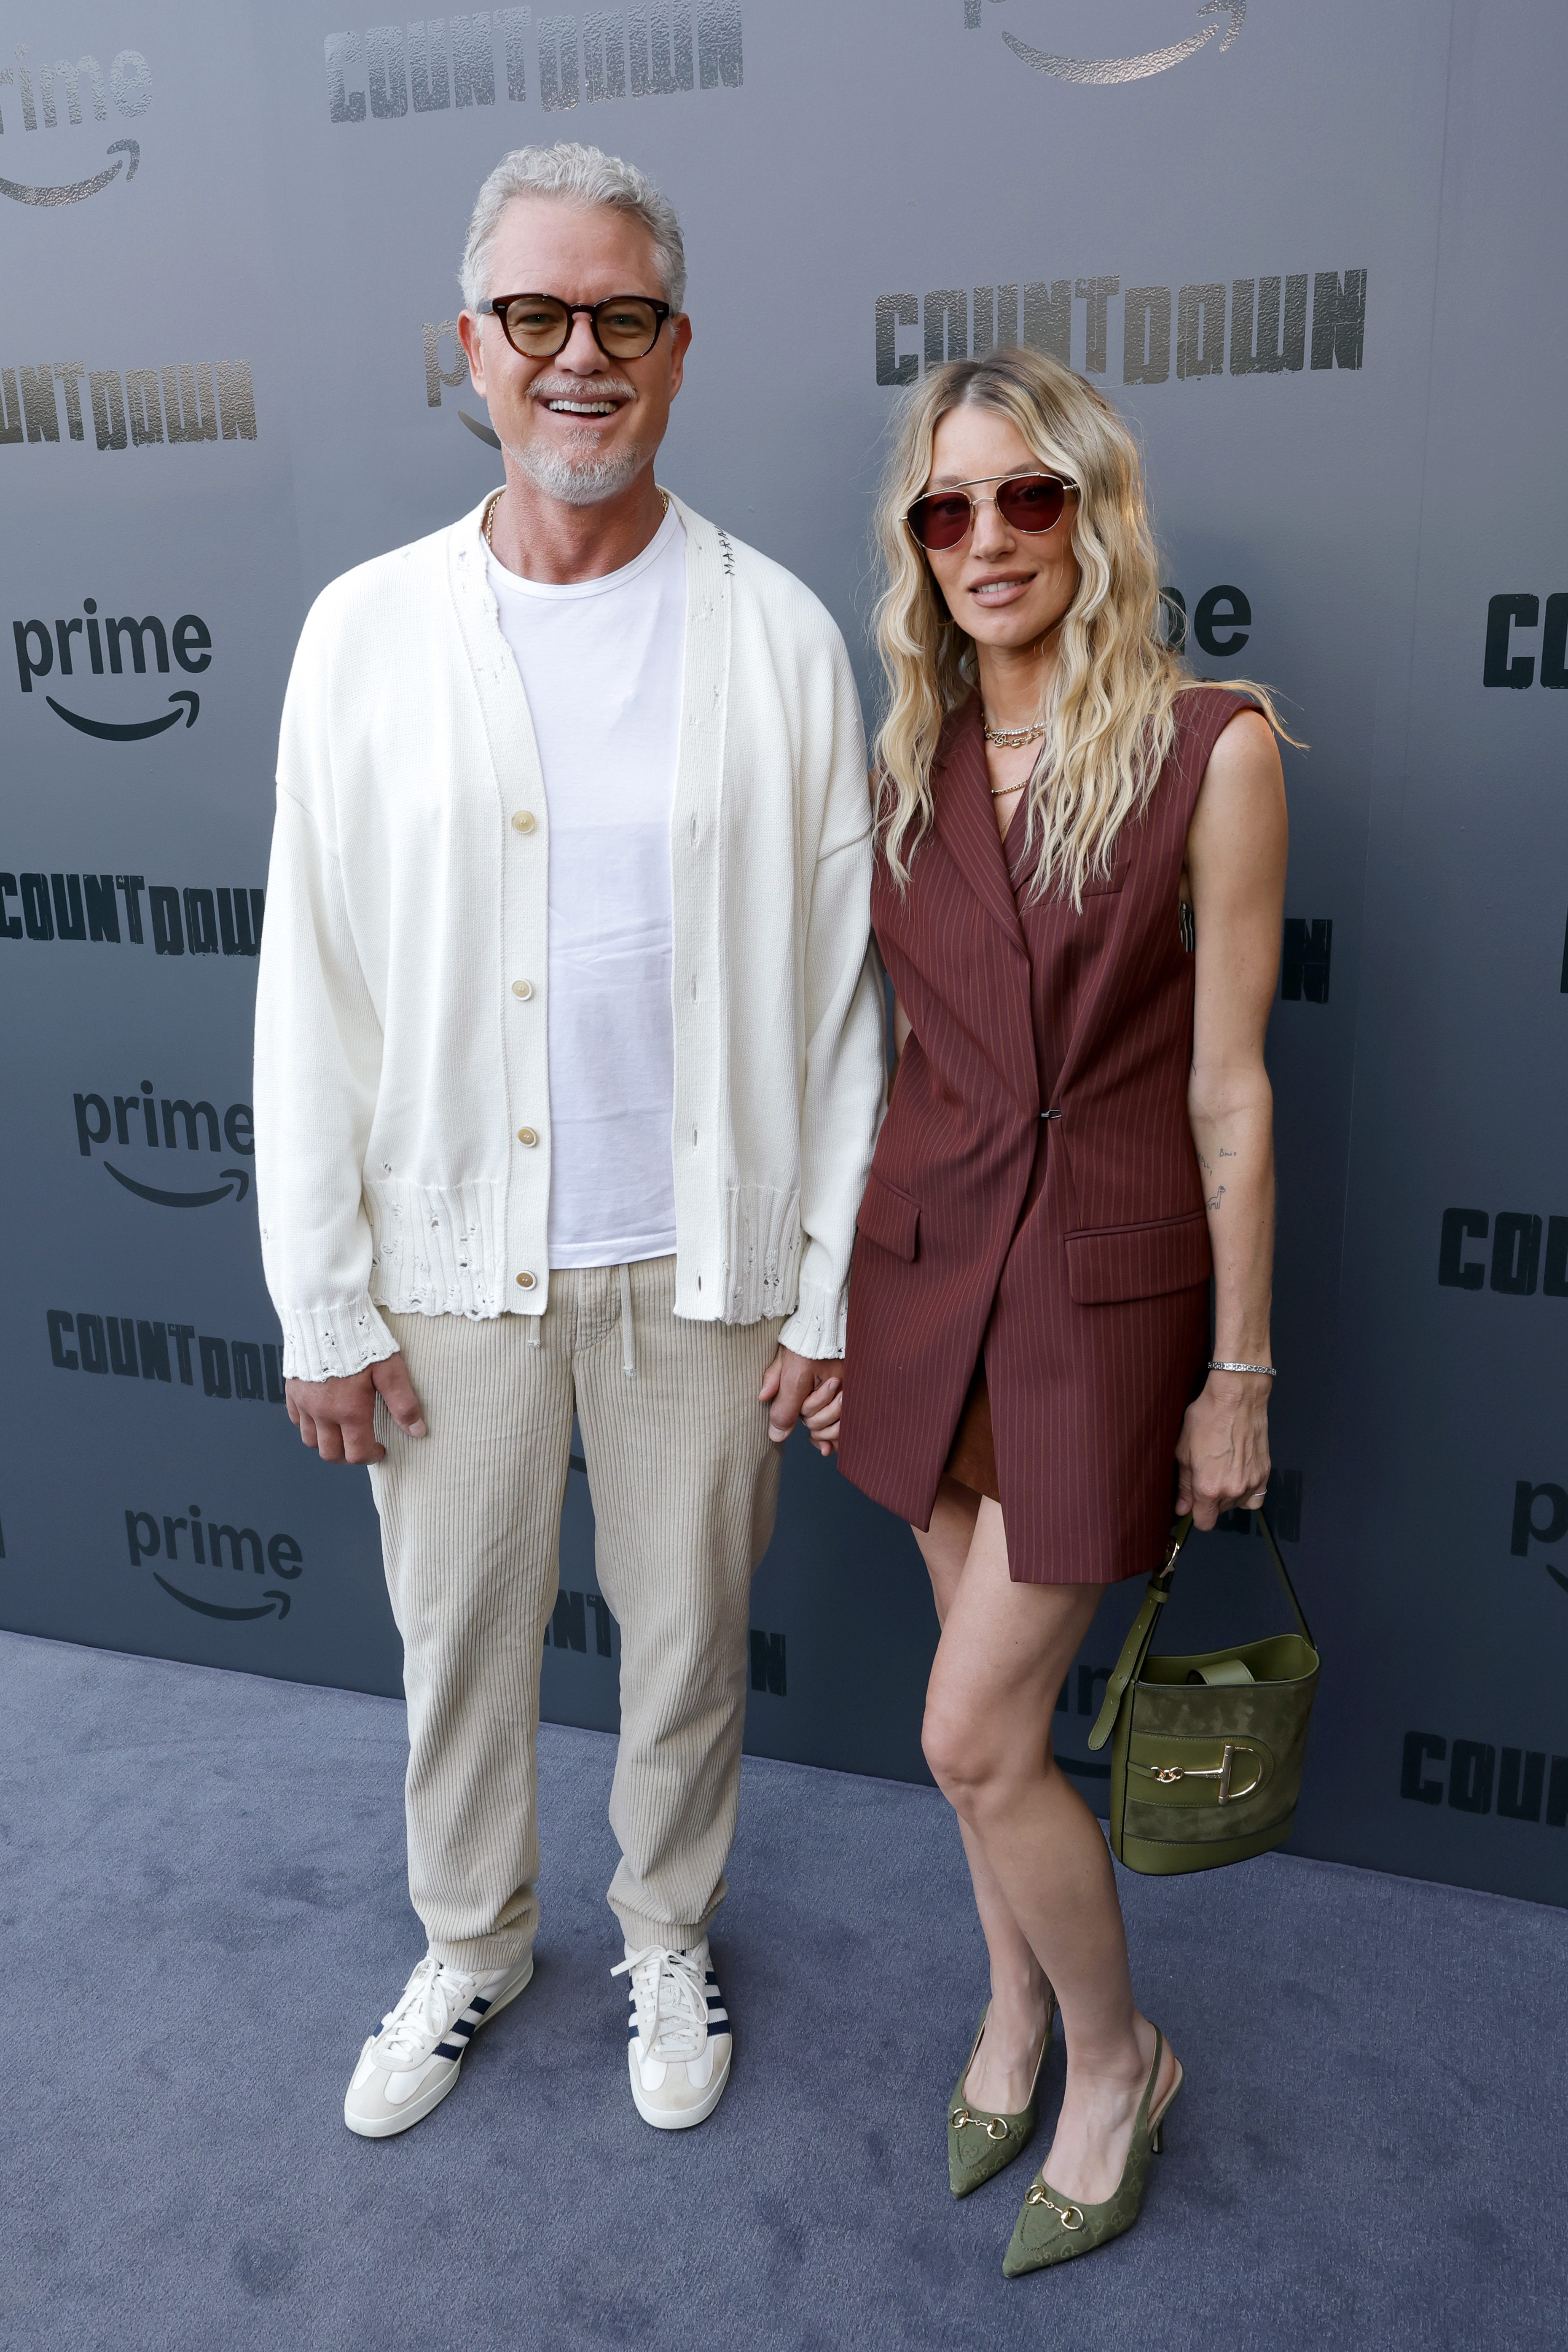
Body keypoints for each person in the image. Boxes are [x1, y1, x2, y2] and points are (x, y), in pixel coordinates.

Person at [253, 141, 882, 2140]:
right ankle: (470, 1944)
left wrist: (826, 1273)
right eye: (538, 317)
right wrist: (321, 1300)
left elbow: (848, 998)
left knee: (691, 1649)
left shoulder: (779, 634)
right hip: (448, 1274)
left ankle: (666, 1929)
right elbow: (310, 988)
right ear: (475, 348)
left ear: (678, 350)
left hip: (703, 1265)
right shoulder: (363, 634)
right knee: (459, 1646)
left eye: (621, 317)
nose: (579, 356)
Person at [835, 349, 1290, 2272]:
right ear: (918, 550)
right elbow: (893, 1056)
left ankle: (1117, 2061)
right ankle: (1012, 2007)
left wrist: (1238, 1377)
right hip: (928, 1283)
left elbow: (1232, 1090)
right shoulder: (905, 759)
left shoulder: (1215, 745)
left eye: (1029, 499)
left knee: (969, 1733)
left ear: (1092, 513)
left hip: (1105, 1306)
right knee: (991, 1732)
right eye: (950, 511)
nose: (989, 540)